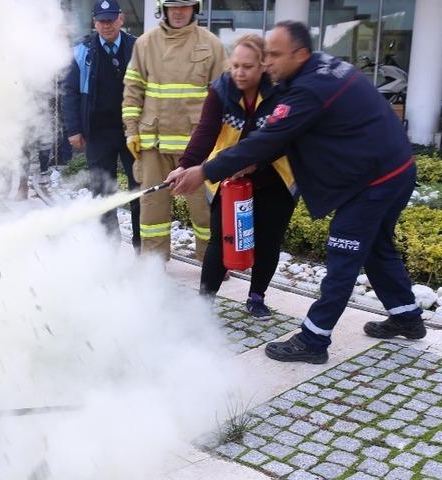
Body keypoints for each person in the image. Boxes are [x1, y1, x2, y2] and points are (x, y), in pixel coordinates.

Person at [168, 21, 424, 365]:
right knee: (377, 247)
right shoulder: (315, 70)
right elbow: (280, 135)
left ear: (300, 54)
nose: (267, 61)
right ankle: (407, 315)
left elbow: (269, 137)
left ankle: (313, 340)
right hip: (394, 169)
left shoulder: (309, 89)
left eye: (274, 54)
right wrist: (227, 163)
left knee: (343, 254)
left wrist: (205, 171)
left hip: (374, 181)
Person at [166, 34, 296, 319]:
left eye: (247, 66)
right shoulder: (220, 90)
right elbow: (205, 131)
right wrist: (185, 165)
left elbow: (286, 138)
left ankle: (257, 296)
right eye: (235, 65)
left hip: (275, 176)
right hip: (228, 176)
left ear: (263, 65)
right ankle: (204, 303)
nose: (239, 72)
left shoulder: (281, 92)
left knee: (268, 239)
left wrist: (255, 164)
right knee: (221, 239)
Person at [122, 0, 226, 261]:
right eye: (173, 6)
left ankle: (211, 262)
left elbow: (225, 97)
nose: (179, 12)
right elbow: (132, 92)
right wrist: (132, 132)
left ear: (195, 8)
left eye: (185, 6)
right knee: (152, 211)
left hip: (197, 146)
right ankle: (153, 265)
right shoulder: (144, 44)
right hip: (153, 144)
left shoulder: (211, 44)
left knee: (204, 210)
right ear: (163, 8)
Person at [62, 0, 140, 248]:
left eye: (111, 19)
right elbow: (70, 92)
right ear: (94, 22)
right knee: (102, 190)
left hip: (132, 130)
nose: (106, 25)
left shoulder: (137, 47)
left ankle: (142, 245)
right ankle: (110, 247)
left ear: (121, 19)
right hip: (98, 132)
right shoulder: (82, 51)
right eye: (101, 21)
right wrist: (74, 129)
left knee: (139, 188)